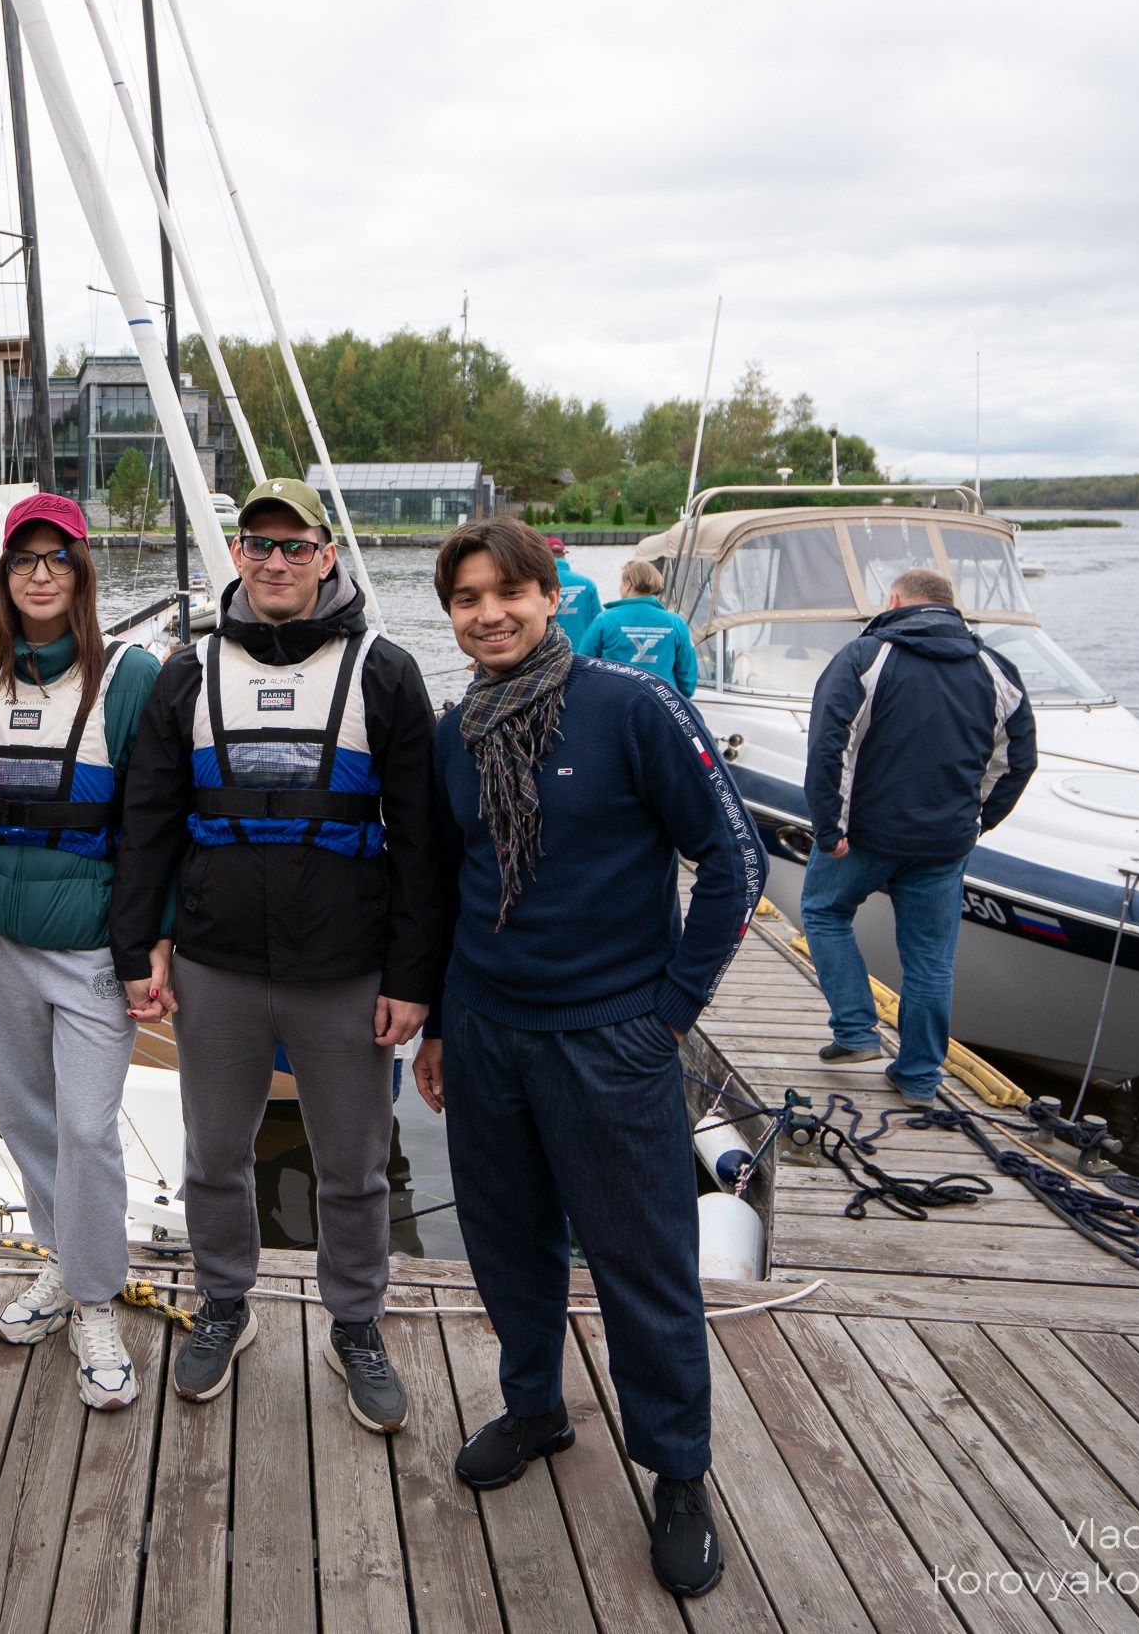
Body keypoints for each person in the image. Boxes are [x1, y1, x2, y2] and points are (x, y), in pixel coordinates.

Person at [418, 516, 765, 1600]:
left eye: (506, 592)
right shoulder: (453, 731)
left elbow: (734, 859)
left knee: (639, 1259)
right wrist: (437, 1018)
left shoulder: (631, 706)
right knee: (505, 1239)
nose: (488, 614)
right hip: (485, 1029)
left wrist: (670, 1008)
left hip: (612, 1036)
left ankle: (676, 1469)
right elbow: (443, 884)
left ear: (550, 593)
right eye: (466, 599)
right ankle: (534, 1405)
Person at [110, 476, 442, 1435]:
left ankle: (357, 1323)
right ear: (239, 557)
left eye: (296, 546)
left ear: (327, 557)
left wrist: (412, 979)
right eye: (259, 545)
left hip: (345, 972)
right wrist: (141, 948)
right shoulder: (188, 672)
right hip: (216, 967)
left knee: (353, 1164)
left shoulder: (384, 671)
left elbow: (420, 844)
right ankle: (224, 1303)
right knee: (215, 1156)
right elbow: (149, 824)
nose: (278, 562)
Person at [0, 493, 161, 1410]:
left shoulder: (131, 678)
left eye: (56, 559)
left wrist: (155, 945)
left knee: (86, 1128)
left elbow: (155, 825)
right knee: (28, 1122)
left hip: (91, 946)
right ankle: (62, 1266)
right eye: (23, 559)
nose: (38, 573)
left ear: (81, 573)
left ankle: (96, 1297)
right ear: (5, 574)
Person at [801, 566, 1036, 1105]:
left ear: (896, 599)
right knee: (931, 960)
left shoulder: (865, 657)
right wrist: (980, 818)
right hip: (944, 843)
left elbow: (828, 746)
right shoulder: (994, 668)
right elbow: (1016, 760)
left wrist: (829, 825)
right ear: (950, 606)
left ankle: (857, 1031)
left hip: (863, 835)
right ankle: (918, 1076)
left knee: (824, 911)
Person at [575, 559, 698, 694]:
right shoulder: (676, 623)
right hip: (662, 705)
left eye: (621, 582)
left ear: (628, 584)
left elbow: (582, 665)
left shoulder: (604, 620)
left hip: (614, 702)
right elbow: (688, 677)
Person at [545, 535, 601, 647]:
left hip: (551, 655)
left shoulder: (540, 584)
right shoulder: (587, 584)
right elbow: (598, 624)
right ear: (564, 555)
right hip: (583, 655)